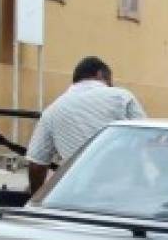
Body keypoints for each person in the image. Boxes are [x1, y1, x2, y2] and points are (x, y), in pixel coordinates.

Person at [26, 56, 145, 192]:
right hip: (125, 190)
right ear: (100, 74)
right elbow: (147, 139)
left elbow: (36, 164)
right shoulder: (122, 97)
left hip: (78, 194)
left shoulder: (52, 110)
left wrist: (36, 199)